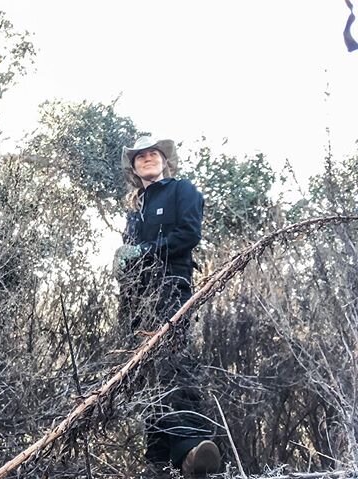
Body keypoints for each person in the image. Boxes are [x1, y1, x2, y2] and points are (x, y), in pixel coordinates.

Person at [113, 136, 221, 477]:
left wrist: (144, 252)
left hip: (170, 288)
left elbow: (188, 235)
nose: (147, 158)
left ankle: (191, 448)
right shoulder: (136, 207)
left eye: (153, 153)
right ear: (133, 167)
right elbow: (131, 254)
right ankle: (158, 459)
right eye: (140, 156)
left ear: (164, 160)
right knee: (144, 373)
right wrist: (123, 266)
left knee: (170, 362)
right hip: (136, 298)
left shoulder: (182, 191)